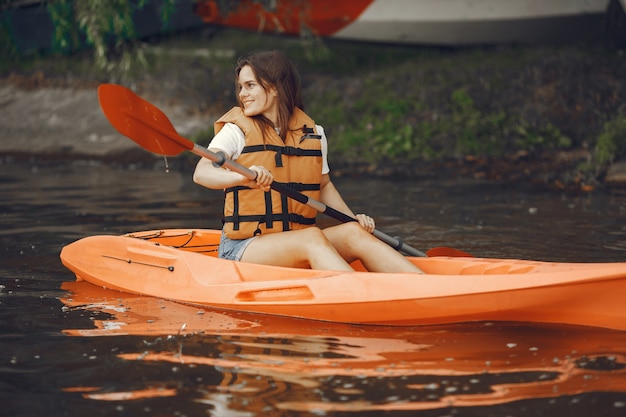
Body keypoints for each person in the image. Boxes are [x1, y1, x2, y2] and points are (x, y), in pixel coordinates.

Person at [193, 50, 422, 273]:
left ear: (275, 87)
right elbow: (201, 173)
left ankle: (423, 287)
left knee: (352, 232)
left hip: (296, 241)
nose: (242, 94)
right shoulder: (236, 131)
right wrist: (241, 177)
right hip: (243, 248)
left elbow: (323, 186)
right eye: (241, 87)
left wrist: (353, 221)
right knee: (311, 237)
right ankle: (363, 297)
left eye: (250, 85)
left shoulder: (313, 134)